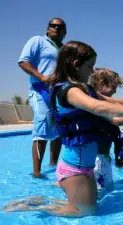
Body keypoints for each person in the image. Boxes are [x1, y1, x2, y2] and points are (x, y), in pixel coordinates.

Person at [4, 41, 123, 217]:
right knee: (84, 212)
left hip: (83, 166)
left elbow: (111, 102)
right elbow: (97, 107)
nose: (91, 71)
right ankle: (31, 207)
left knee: (88, 208)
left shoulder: (83, 89)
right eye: (89, 66)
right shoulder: (69, 91)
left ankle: (39, 200)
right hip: (75, 168)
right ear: (75, 64)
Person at [18, 18, 67, 178]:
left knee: (58, 128)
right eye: (53, 26)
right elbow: (23, 61)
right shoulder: (38, 41)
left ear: (64, 32)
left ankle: (53, 166)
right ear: (47, 29)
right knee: (43, 126)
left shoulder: (65, 49)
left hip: (59, 92)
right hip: (40, 90)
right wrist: (41, 77)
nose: (56, 28)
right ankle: (37, 173)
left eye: (60, 27)